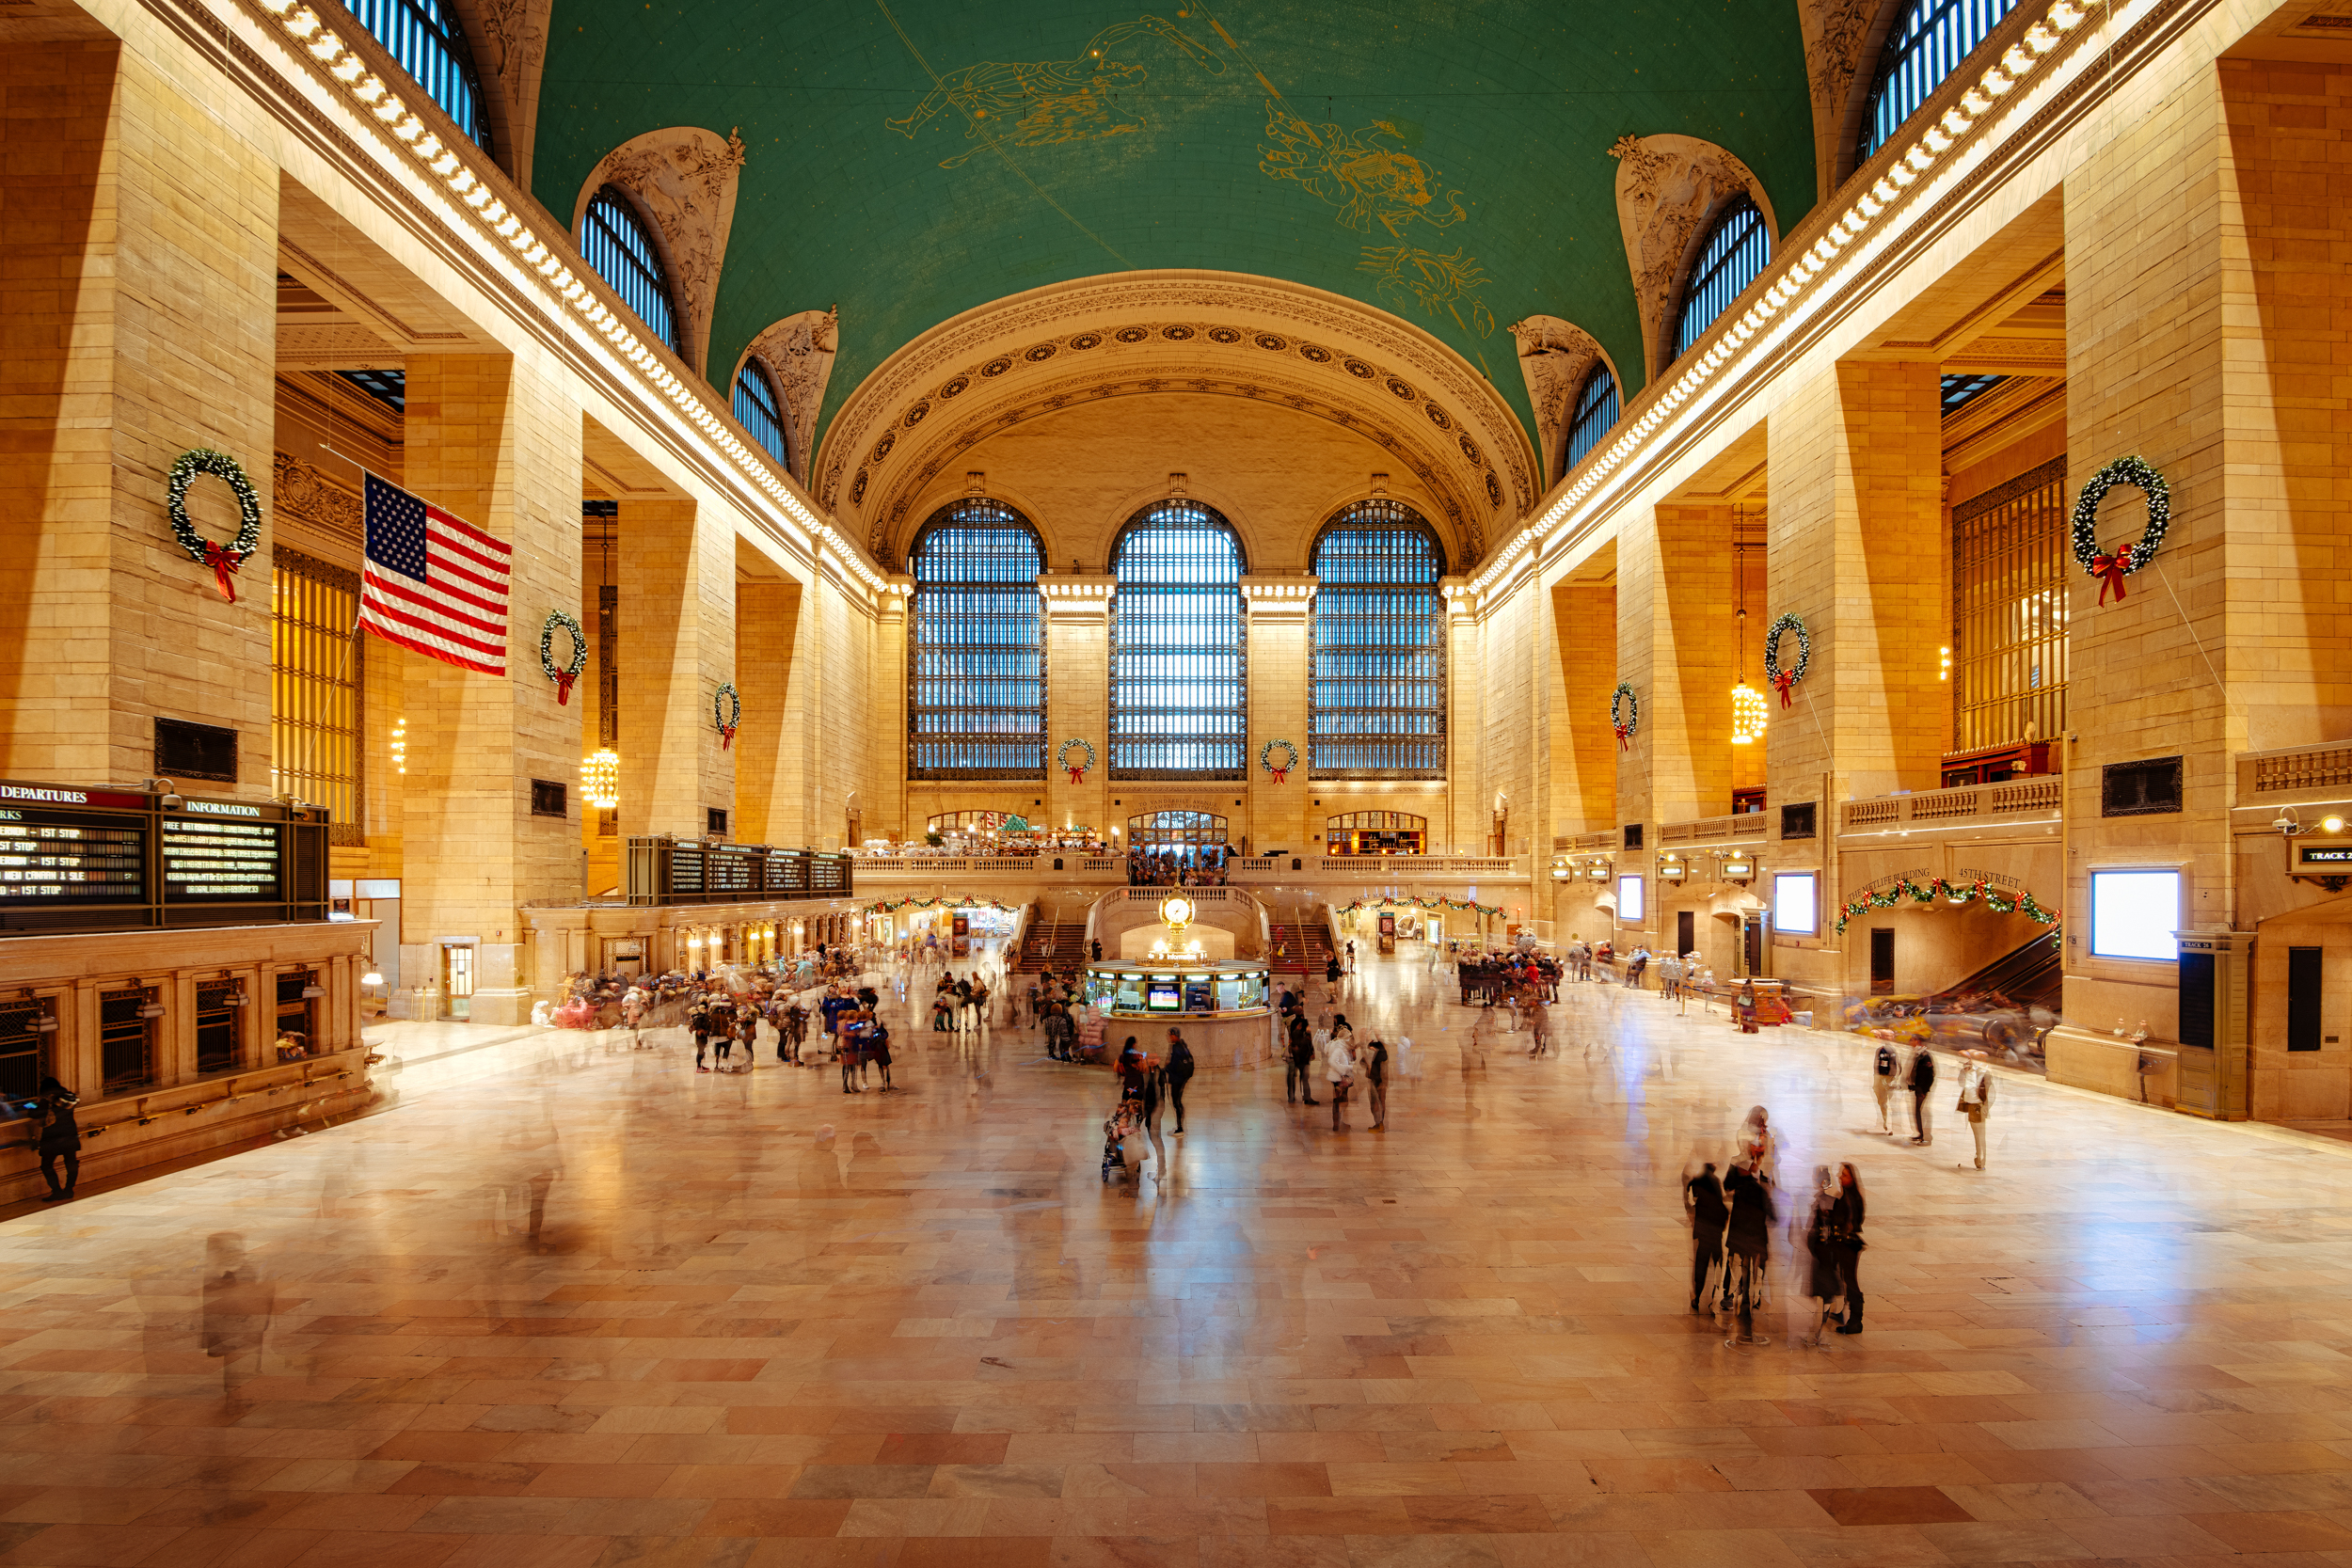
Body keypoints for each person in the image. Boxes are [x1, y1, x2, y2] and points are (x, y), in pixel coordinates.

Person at [1723, 1155, 1775, 1340]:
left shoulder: (1742, 1190)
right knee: (1753, 1276)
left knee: (1745, 1275)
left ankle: (1744, 1305)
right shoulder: (1758, 1190)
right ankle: (1749, 1304)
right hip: (1755, 1243)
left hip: (1742, 1242)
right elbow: (1772, 1214)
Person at [1794, 1165, 1842, 1349]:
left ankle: (1819, 1334)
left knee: (1823, 1295)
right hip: (1825, 1256)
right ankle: (1819, 1332)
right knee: (1825, 1296)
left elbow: (1816, 1229)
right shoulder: (1828, 1199)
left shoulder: (1825, 1202)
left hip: (1823, 1256)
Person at [1683, 1159, 1726, 1313]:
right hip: (1715, 1236)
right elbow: (1723, 1211)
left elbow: (1690, 1191)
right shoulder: (1715, 1184)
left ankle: (1698, 1298)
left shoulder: (1700, 1187)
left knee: (1700, 1268)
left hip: (1703, 1236)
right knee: (1718, 1268)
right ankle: (1713, 1301)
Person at [27, 1078, 79, 1202]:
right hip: (70, 1136)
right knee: (71, 1163)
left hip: (52, 1138)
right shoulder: (68, 1098)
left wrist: (30, 1103)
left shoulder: (46, 1102)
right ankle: (69, 1189)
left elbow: (32, 1113)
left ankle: (56, 1191)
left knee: (46, 1165)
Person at [1830, 1163, 1867, 1334]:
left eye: (1844, 1175)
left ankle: (1855, 1321)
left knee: (1850, 1281)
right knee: (1846, 1279)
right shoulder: (1851, 1196)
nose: (1839, 1177)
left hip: (1847, 1245)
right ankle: (1848, 1314)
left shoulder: (1849, 1200)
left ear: (1851, 1178)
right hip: (1848, 1244)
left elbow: (1848, 1222)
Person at [1957, 1057, 1993, 1168]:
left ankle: (1981, 1160)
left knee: (1980, 1135)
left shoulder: (1984, 1073)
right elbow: (1962, 1084)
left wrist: (1986, 1107)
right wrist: (1963, 1072)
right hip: (1970, 1105)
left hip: (1978, 1106)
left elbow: (1990, 1093)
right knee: (1975, 1134)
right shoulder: (1967, 1071)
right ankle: (1978, 1157)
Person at [1323, 1028, 1356, 1131]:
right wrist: (1345, 1069)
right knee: (1340, 1101)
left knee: (1339, 1100)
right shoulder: (1339, 1048)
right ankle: (1337, 1123)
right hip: (1339, 1078)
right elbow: (1332, 1061)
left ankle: (1338, 1122)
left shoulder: (1338, 1046)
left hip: (1338, 1077)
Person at [1164, 1027, 1194, 1134]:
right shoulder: (1182, 1045)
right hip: (1180, 1078)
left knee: (1176, 1102)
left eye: (1172, 1035)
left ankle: (1180, 1127)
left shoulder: (1177, 1048)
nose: (1170, 1037)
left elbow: (1174, 1065)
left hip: (1177, 1078)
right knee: (1178, 1101)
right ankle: (1180, 1125)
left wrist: (1166, 1068)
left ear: (1176, 1036)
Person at [1357, 1036, 1388, 1130]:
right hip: (1382, 1081)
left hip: (1375, 1080)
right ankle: (1381, 1123)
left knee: (1374, 1102)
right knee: (1381, 1101)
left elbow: (1362, 1063)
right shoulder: (1383, 1055)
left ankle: (1378, 1124)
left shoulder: (1373, 1055)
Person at [1286, 1012, 1317, 1105]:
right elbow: (1306, 1044)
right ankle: (1306, 1098)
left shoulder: (1293, 1031)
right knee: (1304, 1078)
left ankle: (1291, 1097)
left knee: (1291, 1078)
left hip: (1294, 1058)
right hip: (1302, 1059)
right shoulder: (1303, 1036)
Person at [1909, 1043, 1937, 1146]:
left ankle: (1926, 1137)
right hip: (1918, 1089)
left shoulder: (1926, 1057)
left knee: (1922, 1113)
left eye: (1914, 1041)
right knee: (1918, 1112)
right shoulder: (1919, 1055)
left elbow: (1930, 1075)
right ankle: (1921, 1134)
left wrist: (1923, 1090)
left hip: (1922, 1090)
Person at [1871, 1037, 1899, 1132]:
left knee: (1889, 1104)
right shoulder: (1879, 1050)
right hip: (1882, 1080)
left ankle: (1890, 1125)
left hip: (1889, 1080)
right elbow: (1876, 1067)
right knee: (1882, 1103)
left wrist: (1893, 1080)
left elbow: (1898, 1066)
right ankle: (1885, 1123)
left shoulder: (1893, 1051)